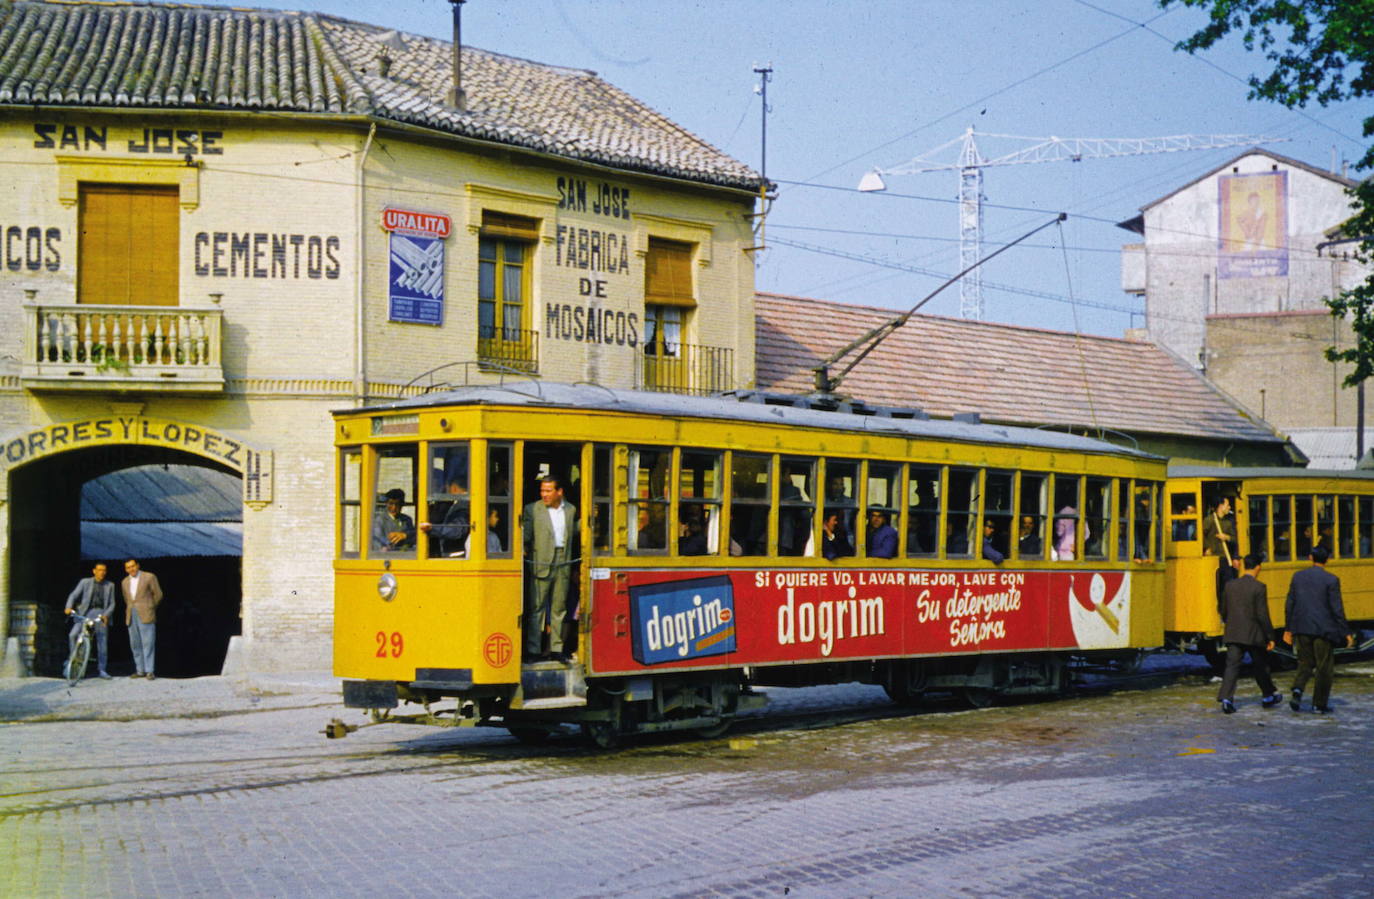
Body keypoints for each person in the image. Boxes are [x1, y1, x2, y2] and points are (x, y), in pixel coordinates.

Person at [1284, 545, 1355, 713]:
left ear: (1310, 557)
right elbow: (1337, 608)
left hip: (1301, 627)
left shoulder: (1298, 577)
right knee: (1324, 667)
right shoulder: (1331, 580)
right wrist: (1346, 632)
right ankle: (1319, 704)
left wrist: (1288, 628)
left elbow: (1290, 604)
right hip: (1324, 630)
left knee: (1305, 662)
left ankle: (1298, 688)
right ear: (1327, 560)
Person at [521, 476, 579, 663]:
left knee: (559, 608)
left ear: (559, 492)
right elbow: (526, 535)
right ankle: (533, 650)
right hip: (541, 561)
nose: (544, 494)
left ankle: (556, 648)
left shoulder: (570, 510)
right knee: (536, 608)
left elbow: (575, 532)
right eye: (542, 491)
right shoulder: (532, 509)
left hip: (563, 560)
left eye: (548, 491)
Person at [1215, 554, 1282, 714]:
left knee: (1231, 666)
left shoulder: (1230, 585)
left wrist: (1229, 621)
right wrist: (1270, 636)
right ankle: (1268, 695)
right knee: (1261, 666)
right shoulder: (1259, 587)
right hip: (1254, 634)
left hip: (1234, 632)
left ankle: (1226, 699)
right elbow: (1262, 615)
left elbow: (1223, 609)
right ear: (1258, 567)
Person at [65, 562, 116, 680]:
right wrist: (68, 607)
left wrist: (106, 614)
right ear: (94, 571)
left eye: (104, 570)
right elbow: (73, 595)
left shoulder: (110, 585)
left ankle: (102, 670)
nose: (102, 572)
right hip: (85, 612)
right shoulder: (85, 582)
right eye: (99, 570)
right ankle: (74, 661)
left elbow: (112, 603)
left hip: (100, 613)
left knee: (102, 641)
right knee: (72, 635)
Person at [122, 558, 163, 680]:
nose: (131, 569)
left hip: (146, 612)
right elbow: (126, 599)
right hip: (131, 613)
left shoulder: (149, 577)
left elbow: (158, 595)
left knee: (148, 642)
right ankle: (140, 670)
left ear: (138, 565)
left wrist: (150, 607)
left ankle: (149, 671)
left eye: (133, 566)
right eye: (128, 567)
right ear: (126, 569)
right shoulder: (124, 582)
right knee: (135, 643)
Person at [1202, 496, 1238, 612]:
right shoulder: (1209, 520)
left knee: (1228, 587)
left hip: (1225, 558)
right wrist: (1207, 547)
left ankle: (1225, 612)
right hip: (1212, 559)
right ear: (1220, 506)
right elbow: (1197, 535)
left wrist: (1226, 537)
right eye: (1227, 505)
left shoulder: (1228, 523)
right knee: (1215, 588)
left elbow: (1235, 539)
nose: (1229, 507)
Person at [419, 479, 469, 556]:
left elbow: (457, 530)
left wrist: (432, 528)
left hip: (456, 556)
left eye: (447, 489)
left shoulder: (463, 505)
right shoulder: (461, 503)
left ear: (454, 488)